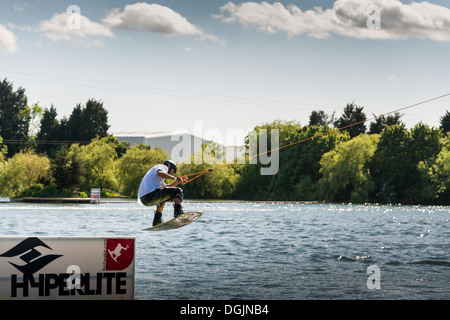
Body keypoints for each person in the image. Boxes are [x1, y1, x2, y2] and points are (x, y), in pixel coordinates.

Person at [138, 160, 187, 226]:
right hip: (150, 195)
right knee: (178, 191)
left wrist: (177, 182)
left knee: (163, 195)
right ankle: (178, 213)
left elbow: (168, 187)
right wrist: (175, 178)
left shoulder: (158, 178)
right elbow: (160, 173)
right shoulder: (163, 167)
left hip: (144, 199)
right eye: (173, 171)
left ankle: (157, 221)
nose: (172, 174)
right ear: (169, 166)